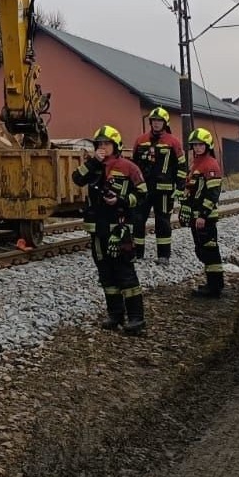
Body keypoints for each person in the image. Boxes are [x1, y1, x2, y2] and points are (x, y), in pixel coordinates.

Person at [72, 125, 148, 334]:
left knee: (125, 272)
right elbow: (77, 178)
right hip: (98, 230)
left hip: (119, 228)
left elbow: (142, 194)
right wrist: (93, 160)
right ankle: (115, 314)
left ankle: (136, 318)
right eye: (99, 144)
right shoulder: (93, 166)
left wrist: (121, 200)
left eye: (107, 143)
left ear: (116, 145)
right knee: (105, 273)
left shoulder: (128, 167)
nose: (103, 147)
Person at [130, 107, 186, 265]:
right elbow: (133, 166)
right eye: (154, 121)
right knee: (138, 220)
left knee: (163, 222)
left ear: (165, 123)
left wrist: (180, 187)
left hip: (164, 191)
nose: (156, 124)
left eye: (159, 121)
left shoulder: (173, 142)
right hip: (143, 189)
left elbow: (181, 167)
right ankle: (137, 253)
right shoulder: (140, 141)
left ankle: (163, 255)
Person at [180, 127, 224, 298]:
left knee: (210, 251)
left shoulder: (210, 164)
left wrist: (202, 215)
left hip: (205, 218)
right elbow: (191, 189)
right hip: (196, 216)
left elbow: (212, 194)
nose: (197, 148)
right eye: (195, 145)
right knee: (203, 250)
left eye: (200, 145)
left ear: (208, 145)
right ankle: (212, 283)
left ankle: (214, 288)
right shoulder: (196, 163)